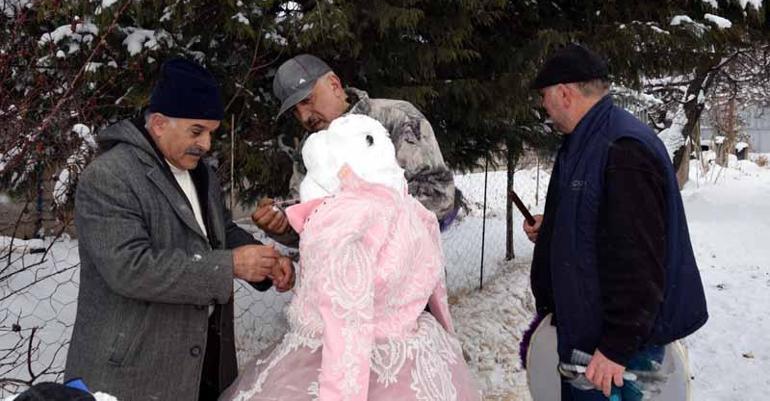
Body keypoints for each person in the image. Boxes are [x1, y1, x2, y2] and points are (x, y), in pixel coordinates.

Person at [64, 58, 295, 401]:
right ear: (158, 124)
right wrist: (230, 265)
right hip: (131, 376)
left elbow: (218, 231)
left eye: (211, 133)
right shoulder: (109, 177)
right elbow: (131, 269)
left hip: (201, 368)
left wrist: (265, 261)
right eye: (196, 131)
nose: (206, 145)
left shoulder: (199, 172)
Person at [220, 114, 481, 401]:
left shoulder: (341, 222)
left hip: (338, 366)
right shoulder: (413, 211)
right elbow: (435, 290)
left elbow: (348, 323)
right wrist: (449, 340)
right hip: (416, 355)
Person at [523, 44, 708, 400]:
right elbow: (603, 223)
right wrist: (555, 228)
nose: (543, 106)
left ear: (564, 93)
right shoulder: (588, 140)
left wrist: (616, 347)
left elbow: (640, 260)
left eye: (544, 96)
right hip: (591, 337)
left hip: (614, 353)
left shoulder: (623, 150)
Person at [252, 54, 460, 246]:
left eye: (307, 101)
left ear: (334, 84)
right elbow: (308, 223)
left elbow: (438, 195)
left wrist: (361, 222)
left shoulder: (395, 118)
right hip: (340, 281)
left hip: (407, 276)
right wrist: (282, 225)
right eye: (295, 112)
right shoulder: (310, 150)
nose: (305, 117)